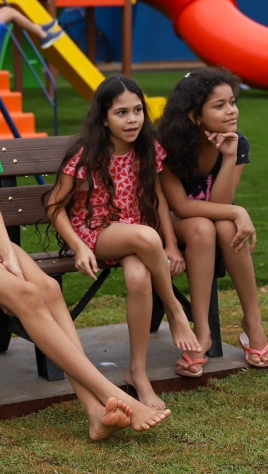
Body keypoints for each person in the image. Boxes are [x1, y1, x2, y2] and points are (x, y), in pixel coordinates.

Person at [0, 33, 170, 439]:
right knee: (25, 295)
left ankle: (95, 414)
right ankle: (113, 394)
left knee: (49, 289)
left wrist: (7, 253)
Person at [44, 76, 202, 410]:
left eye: (137, 110)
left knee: (139, 276)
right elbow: (54, 207)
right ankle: (175, 309)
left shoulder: (147, 148)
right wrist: (79, 247)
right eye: (121, 113)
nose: (132, 120)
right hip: (95, 231)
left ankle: (138, 374)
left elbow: (158, 198)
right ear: (104, 118)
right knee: (146, 236)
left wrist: (171, 246)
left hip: (134, 231)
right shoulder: (87, 154)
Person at [158, 68, 268, 375]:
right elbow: (181, 206)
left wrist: (229, 157)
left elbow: (221, 204)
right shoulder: (167, 146)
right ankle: (202, 332)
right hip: (170, 221)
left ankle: (253, 323)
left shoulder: (237, 143)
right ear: (194, 116)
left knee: (224, 226)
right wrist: (239, 212)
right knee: (204, 226)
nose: (231, 110)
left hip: (210, 218)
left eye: (232, 102)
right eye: (219, 105)